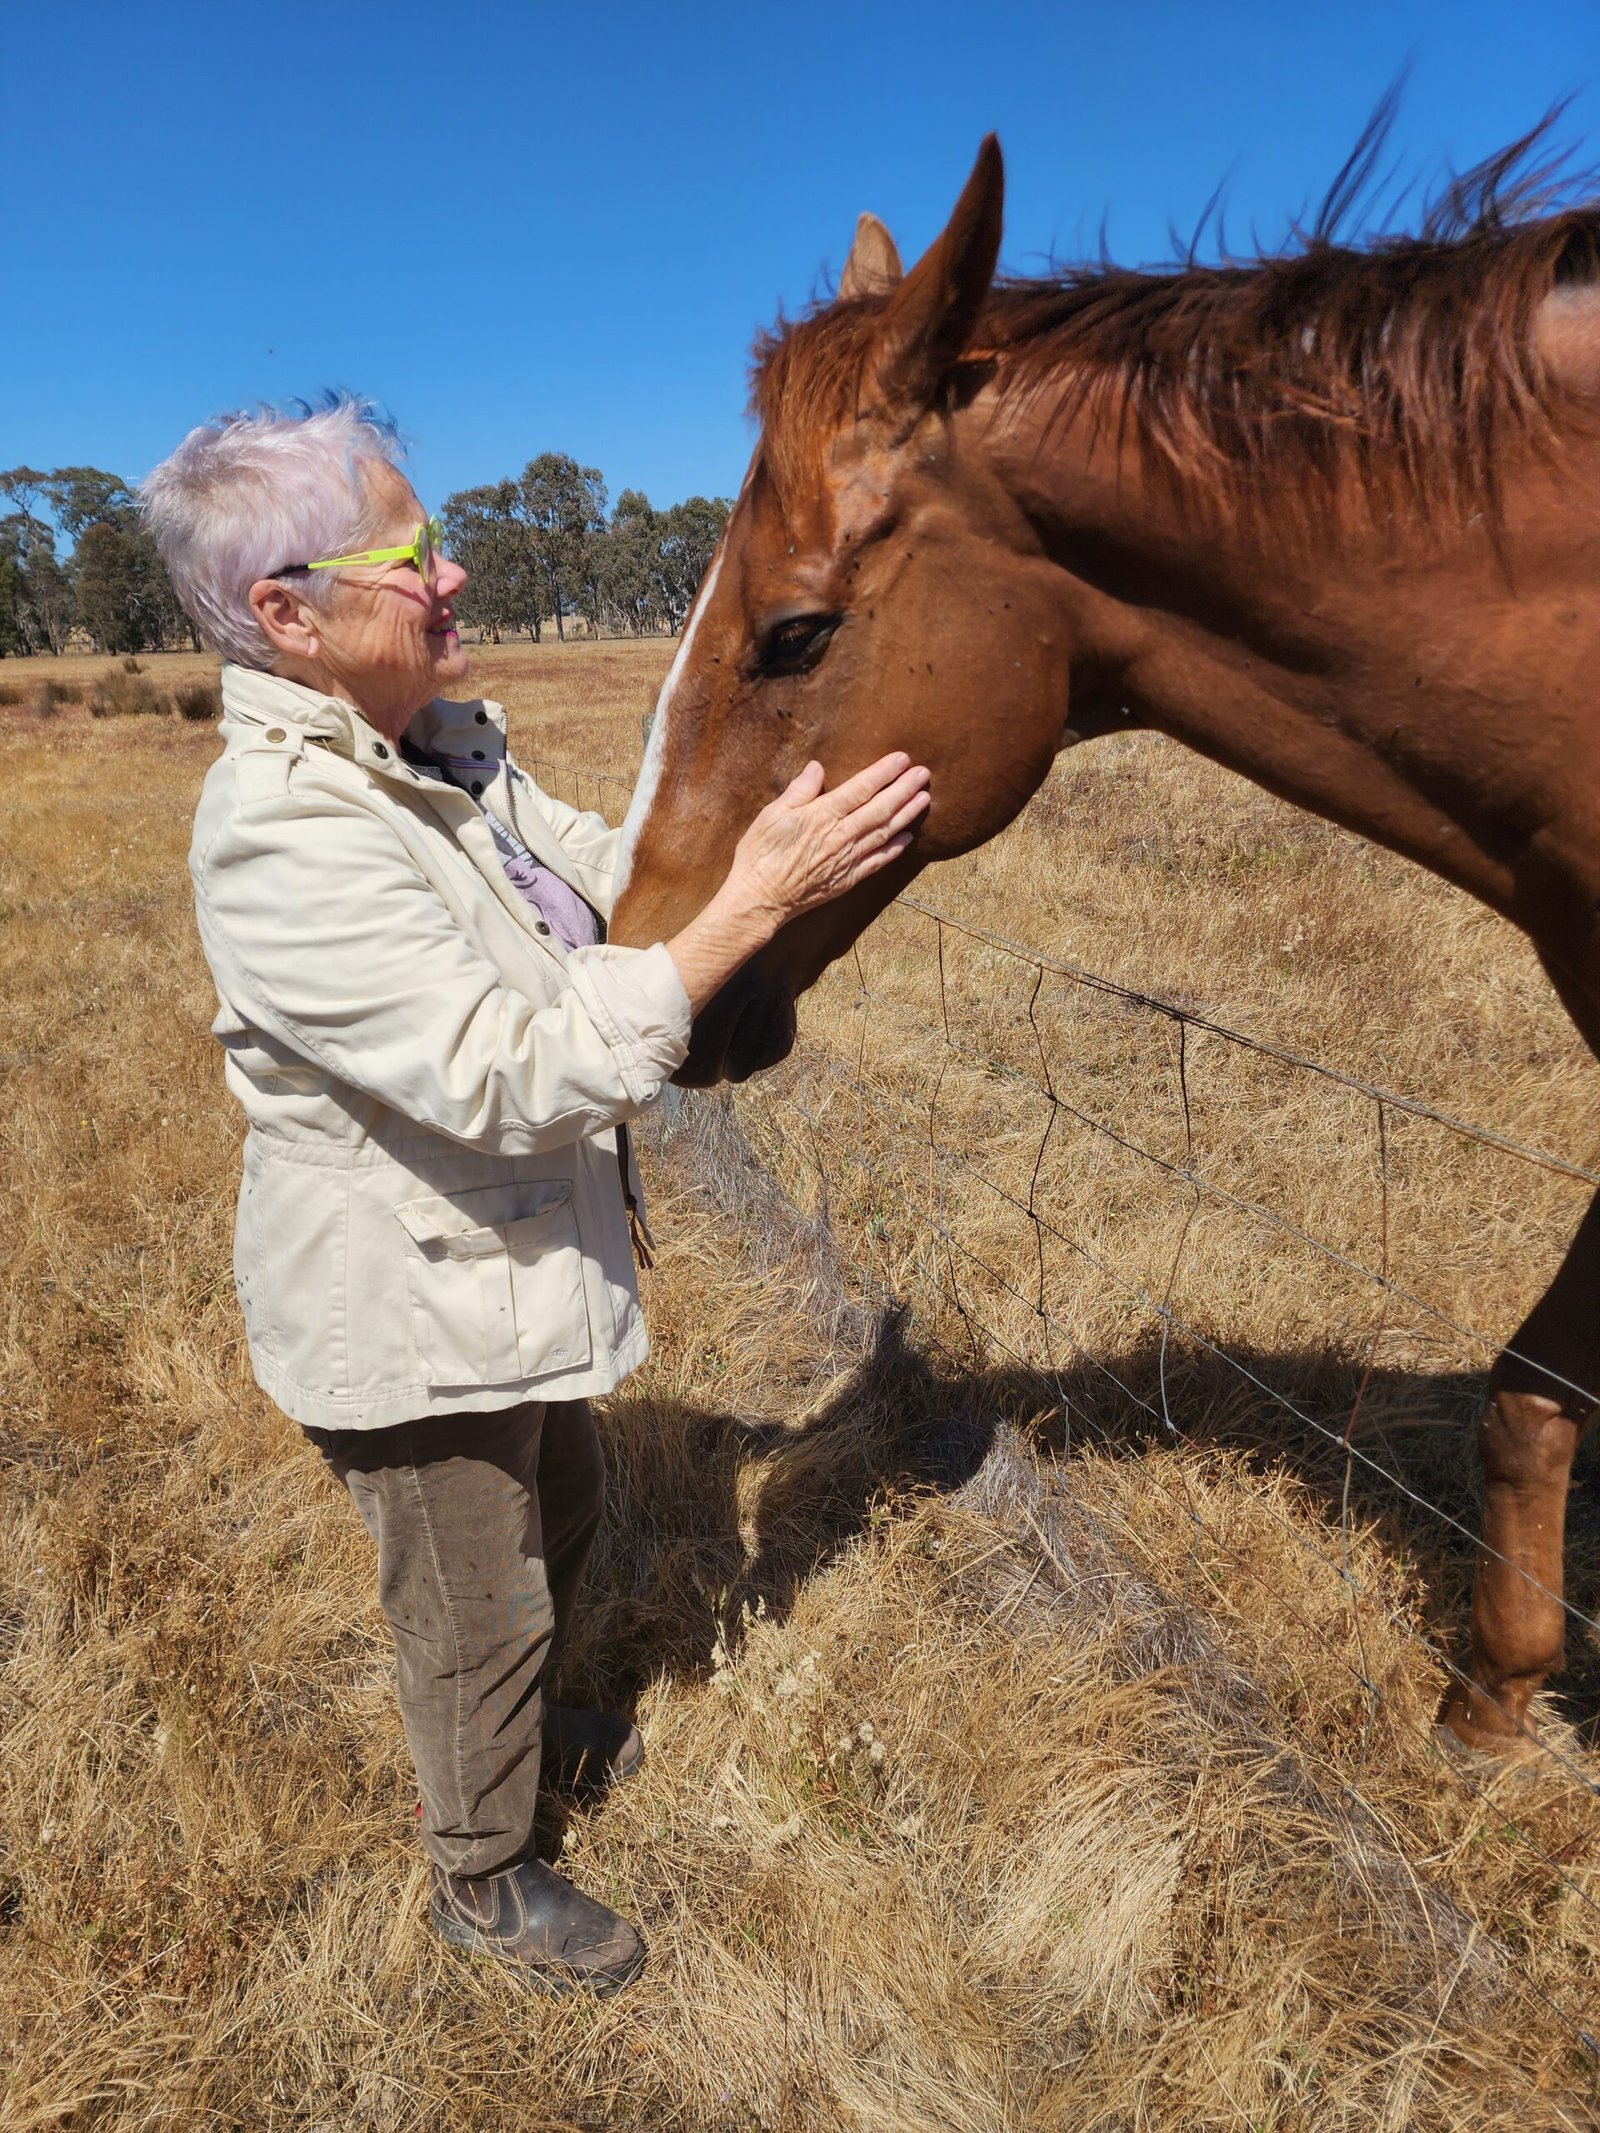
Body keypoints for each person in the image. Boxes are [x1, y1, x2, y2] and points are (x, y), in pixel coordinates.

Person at [140, 396, 930, 1996]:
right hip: (404, 1302)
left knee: (565, 1508)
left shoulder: (446, 754)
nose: (452, 568)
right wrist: (747, 910)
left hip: (489, 1275)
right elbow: (510, 1068)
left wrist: (755, 835)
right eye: (410, 550)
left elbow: (606, 885)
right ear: (287, 613)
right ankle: (481, 1872)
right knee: (472, 1596)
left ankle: (515, 1740)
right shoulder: (283, 832)